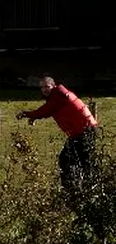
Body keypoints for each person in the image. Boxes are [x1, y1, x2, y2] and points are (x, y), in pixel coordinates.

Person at [16, 76, 98, 205]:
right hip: (83, 131)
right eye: (42, 87)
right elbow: (49, 110)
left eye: (46, 86)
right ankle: (84, 193)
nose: (44, 90)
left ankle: (73, 194)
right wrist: (35, 117)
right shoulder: (58, 95)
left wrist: (27, 114)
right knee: (80, 162)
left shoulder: (59, 95)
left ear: (53, 86)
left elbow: (47, 110)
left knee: (69, 160)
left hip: (83, 132)